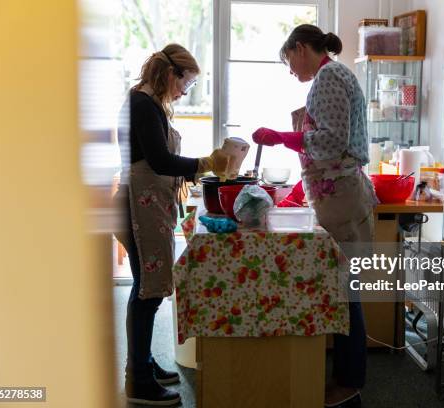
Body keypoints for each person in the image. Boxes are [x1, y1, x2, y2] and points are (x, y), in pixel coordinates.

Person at [252, 25, 377, 408]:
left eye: (289, 60)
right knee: (342, 290)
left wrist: (280, 138)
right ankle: (347, 376)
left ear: (301, 48)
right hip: (337, 195)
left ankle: (349, 381)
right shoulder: (331, 77)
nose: (291, 69)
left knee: (344, 291)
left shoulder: (329, 77)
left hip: (341, 198)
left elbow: (331, 140)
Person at [115, 43, 229, 406]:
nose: (185, 91)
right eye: (187, 83)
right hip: (137, 206)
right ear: (171, 73)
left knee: (147, 288)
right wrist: (206, 163)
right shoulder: (142, 104)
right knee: (147, 291)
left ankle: (143, 364)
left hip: (144, 204)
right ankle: (139, 382)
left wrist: (204, 165)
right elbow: (161, 161)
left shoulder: (148, 102)